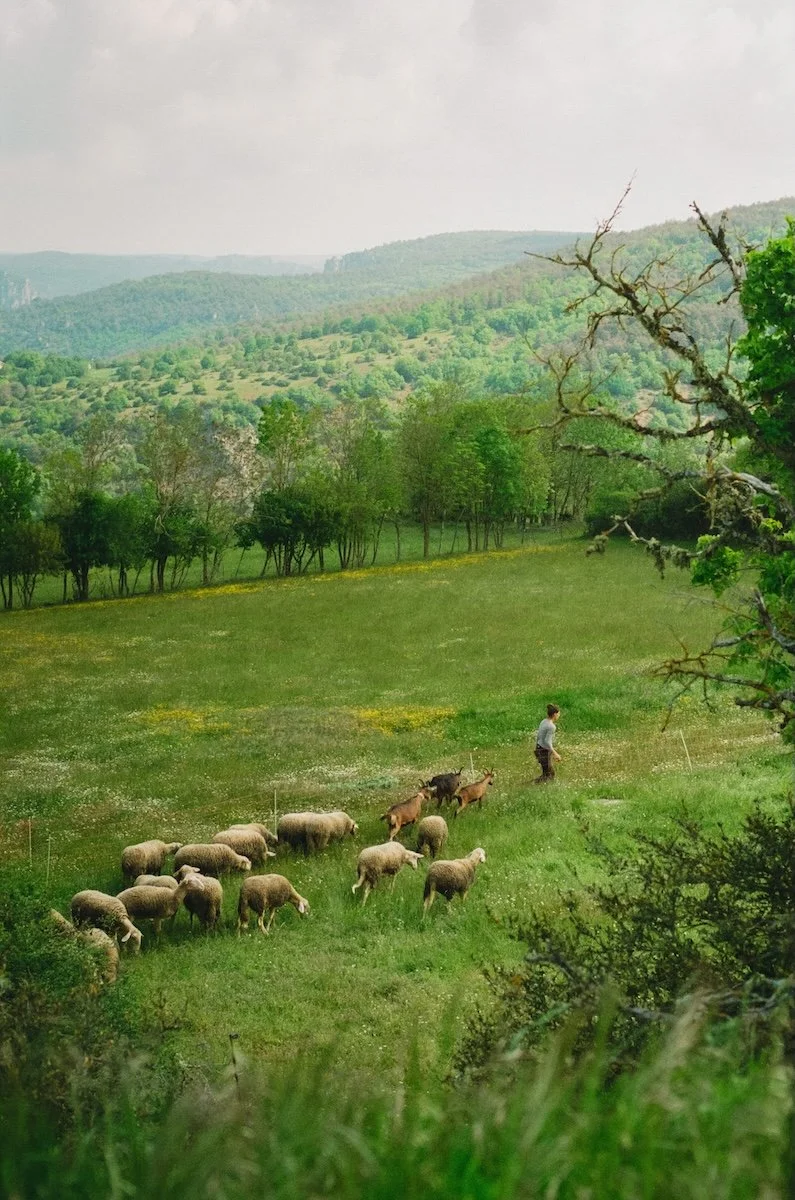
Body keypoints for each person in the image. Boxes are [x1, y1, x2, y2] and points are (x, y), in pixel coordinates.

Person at [533, 704, 561, 783]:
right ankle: (532, 784)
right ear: (555, 714)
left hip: (539, 748)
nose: (559, 716)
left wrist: (537, 749)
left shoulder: (543, 721)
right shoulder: (551, 726)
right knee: (549, 775)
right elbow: (547, 742)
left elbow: (538, 736)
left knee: (547, 773)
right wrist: (555, 754)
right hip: (544, 751)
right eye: (558, 714)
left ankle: (536, 784)